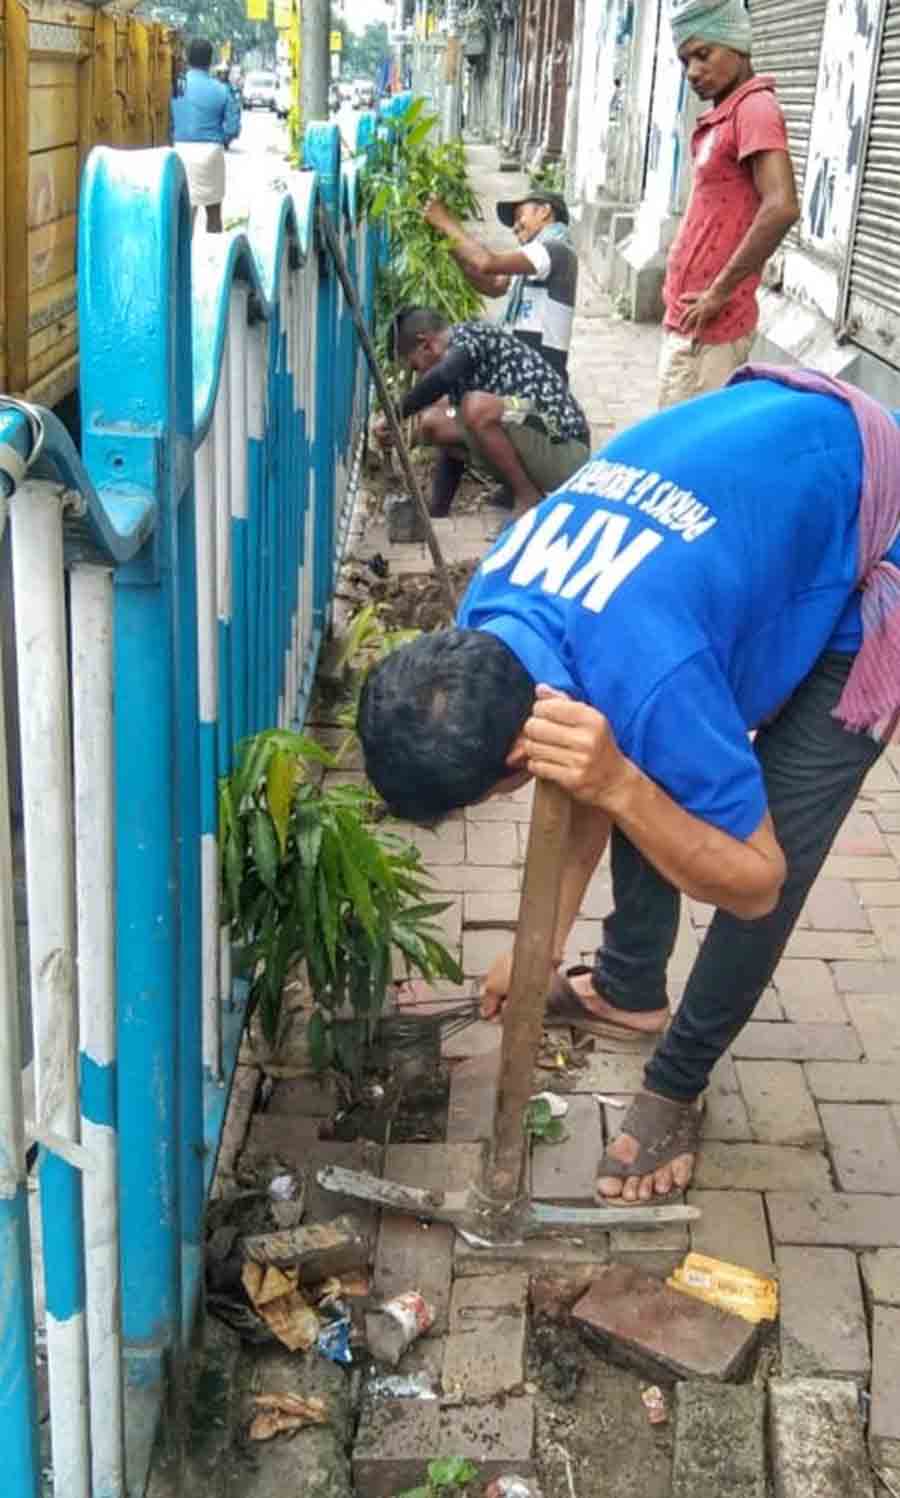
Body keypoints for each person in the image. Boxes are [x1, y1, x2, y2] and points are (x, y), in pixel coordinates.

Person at [358, 367, 900, 1205]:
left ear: (508, 768)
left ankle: (676, 1089)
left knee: (745, 832)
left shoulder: (654, 675)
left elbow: (755, 884)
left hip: (874, 513)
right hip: (779, 462)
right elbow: (578, 769)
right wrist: (536, 953)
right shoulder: (491, 606)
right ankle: (629, 987)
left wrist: (621, 784)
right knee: (629, 768)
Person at [659, 0, 799, 408]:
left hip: (712, 330)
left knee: (688, 458)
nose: (693, 72)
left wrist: (718, 292)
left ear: (737, 44)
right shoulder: (727, 114)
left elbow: (782, 205)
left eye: (704, 54)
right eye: (685, 61)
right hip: (690, 323)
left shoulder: (754, 107)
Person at [423, 190, 579, 518]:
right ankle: (439, 511)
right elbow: (491, 283)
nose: (515, 227)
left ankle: (526, 494)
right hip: (515, 396)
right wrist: (450, 247)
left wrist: (445, 221)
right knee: (446, 410)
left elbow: (488, 262)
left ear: (546, 212)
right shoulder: (536, 261)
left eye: (521, 214)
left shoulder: (555, 249)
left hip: (536, 407)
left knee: (473, 410)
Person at [375, 307, 591, 523]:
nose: (419, 374)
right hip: (532, 430)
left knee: (475, 407)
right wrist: (436, 512)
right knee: (436, 421)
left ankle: (528, 497)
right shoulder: (459, 360)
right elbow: (448, 428)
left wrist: (394, 414)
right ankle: (452, 504)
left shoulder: (469, 339)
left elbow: (442, 377)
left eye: (415, 366)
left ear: (426, 344)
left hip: (563, 442)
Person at [171, 38, 241, 234]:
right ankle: (214, 257)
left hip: (180, 151)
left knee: (185, 214)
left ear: (187, 58)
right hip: (211, 152)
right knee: (214, 214)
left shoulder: (176, 86)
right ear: (210, 61)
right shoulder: (222, 89)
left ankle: (185, 260)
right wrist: (221, 138)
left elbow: (166, 119)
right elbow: (233, 127)